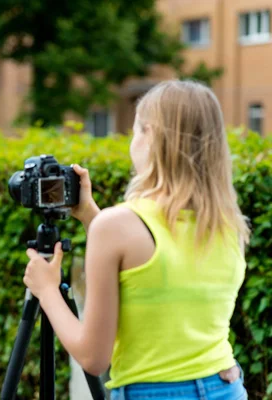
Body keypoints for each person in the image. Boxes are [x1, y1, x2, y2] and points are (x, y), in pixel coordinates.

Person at [23, 80, 249, 399]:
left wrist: (46, 291)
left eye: (134, 132)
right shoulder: (229, 225)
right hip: (226, 387)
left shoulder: (117, 226)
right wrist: (89, 213)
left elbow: (93, 357)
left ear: (151, 135)